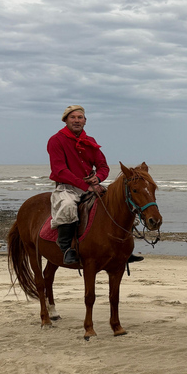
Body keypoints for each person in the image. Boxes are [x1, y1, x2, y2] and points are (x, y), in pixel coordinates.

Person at [47, 105, 143, 265]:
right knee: (68, 206)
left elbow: (103, 167)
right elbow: (60, 170)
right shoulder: (56, 140)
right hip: (68, 187)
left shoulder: (90, 141)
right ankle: (66, 249)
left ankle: (124, 249)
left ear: (85, 121)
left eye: (80, 117)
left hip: (92, 186)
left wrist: (98, 178)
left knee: (121, 205)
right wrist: (86, 186)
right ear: (65, 120)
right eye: (73, 117)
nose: (76, 120)